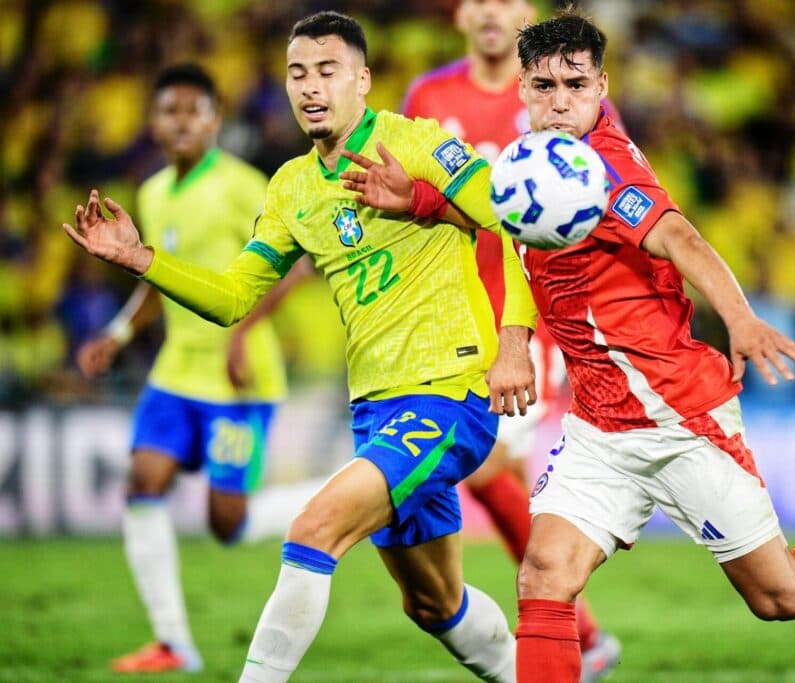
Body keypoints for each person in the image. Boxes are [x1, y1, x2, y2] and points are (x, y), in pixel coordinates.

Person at [340, 12, 795, 683]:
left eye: (575, 84)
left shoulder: (608, 170)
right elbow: (510, 222)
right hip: (599, 425)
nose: (559, 100)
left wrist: (739, 317)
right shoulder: (531, 162)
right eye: (544, 85)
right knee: (544, 575)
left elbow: (681, 238)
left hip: (678, 416)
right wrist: (421, 201)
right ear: (523, 92)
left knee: (783, 594)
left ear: (602, 87)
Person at [64, 11, 537, 683]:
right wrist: (143, 260)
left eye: (327, 70)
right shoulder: (290, 187)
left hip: (452, 393)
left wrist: (514, 342)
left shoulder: (418, 142)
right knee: (434, 602)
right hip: (377, 408)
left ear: (362, 80)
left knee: (313, 530)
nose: (311, 86)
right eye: (297, 73)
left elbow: (515, 224)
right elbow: (233, 297)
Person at [401, 1, 619, 676]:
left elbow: (609, 182)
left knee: (491, 464)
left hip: (533, 314)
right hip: (451, 310)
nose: (493, 11)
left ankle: (573, 629)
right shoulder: (428, 97)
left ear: (528, 12)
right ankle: (574, 629)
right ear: (460, 13)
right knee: (491, 471)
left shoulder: (561, 93)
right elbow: (410, 193)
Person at [75, 63, 308, 674]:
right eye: (168, 110)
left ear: (214, 120)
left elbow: (296, 262)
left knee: (226, 525)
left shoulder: (242, 185)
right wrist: (119, 332)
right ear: (153, 122)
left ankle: (329, 497)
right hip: (176, 373)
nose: (180, 121)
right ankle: (174, 643)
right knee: (142, 481)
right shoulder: (151, 192)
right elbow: (156, 273)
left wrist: (245, 333)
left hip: (238, 379)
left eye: (193, 110)